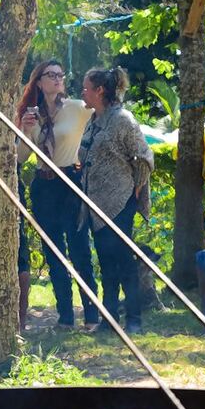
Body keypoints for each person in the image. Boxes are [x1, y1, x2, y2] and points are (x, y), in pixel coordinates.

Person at [16, 60, 98, 331]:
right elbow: (20, 157)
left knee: (79, 249)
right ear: (39, 81)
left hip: (70, 182)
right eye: (51, 75)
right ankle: (65, 316)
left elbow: (104, 113)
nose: (57, 79)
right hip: (43, 186)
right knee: (54, 253)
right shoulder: (33, 114)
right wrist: (25, 130)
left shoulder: (76, 107)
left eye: (61, 75)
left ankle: (91, 314)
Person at [78, 67, 153, 334]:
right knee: (106, 263)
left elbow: (144, 156)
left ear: (100, 90)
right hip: (95, 205)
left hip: (119, 203)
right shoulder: (94, 120)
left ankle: (134, 319)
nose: (82, 92)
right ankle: (109, 319)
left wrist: (137, 187)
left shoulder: (123, 119)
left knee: (123, 262)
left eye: (86, 88)